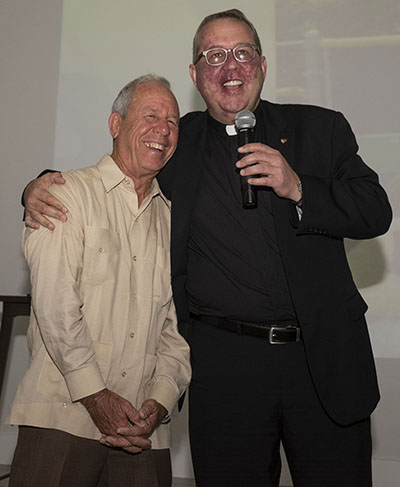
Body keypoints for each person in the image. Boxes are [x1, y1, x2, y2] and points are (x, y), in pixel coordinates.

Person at [21, 9, 392, 487]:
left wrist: (299, 185)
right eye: (214, 56)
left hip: (321, 361)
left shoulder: (319, 129)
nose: (230, 67)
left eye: (242, 53)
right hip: (225, 368)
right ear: (196, 75)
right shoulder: (178, 141)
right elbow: (112, 173)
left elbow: (374, 211)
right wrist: (34, 188)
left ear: (262, 65)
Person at [7, 74, 191, 487]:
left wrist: (159, 401)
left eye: (174, 121)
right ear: (115, 125)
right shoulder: (64, 194)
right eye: (151, 115)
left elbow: (178, 329)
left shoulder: (175, 221)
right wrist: (96, 395)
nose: (163, 129)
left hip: (145, 432)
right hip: (63, 416)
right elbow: (55, 309)